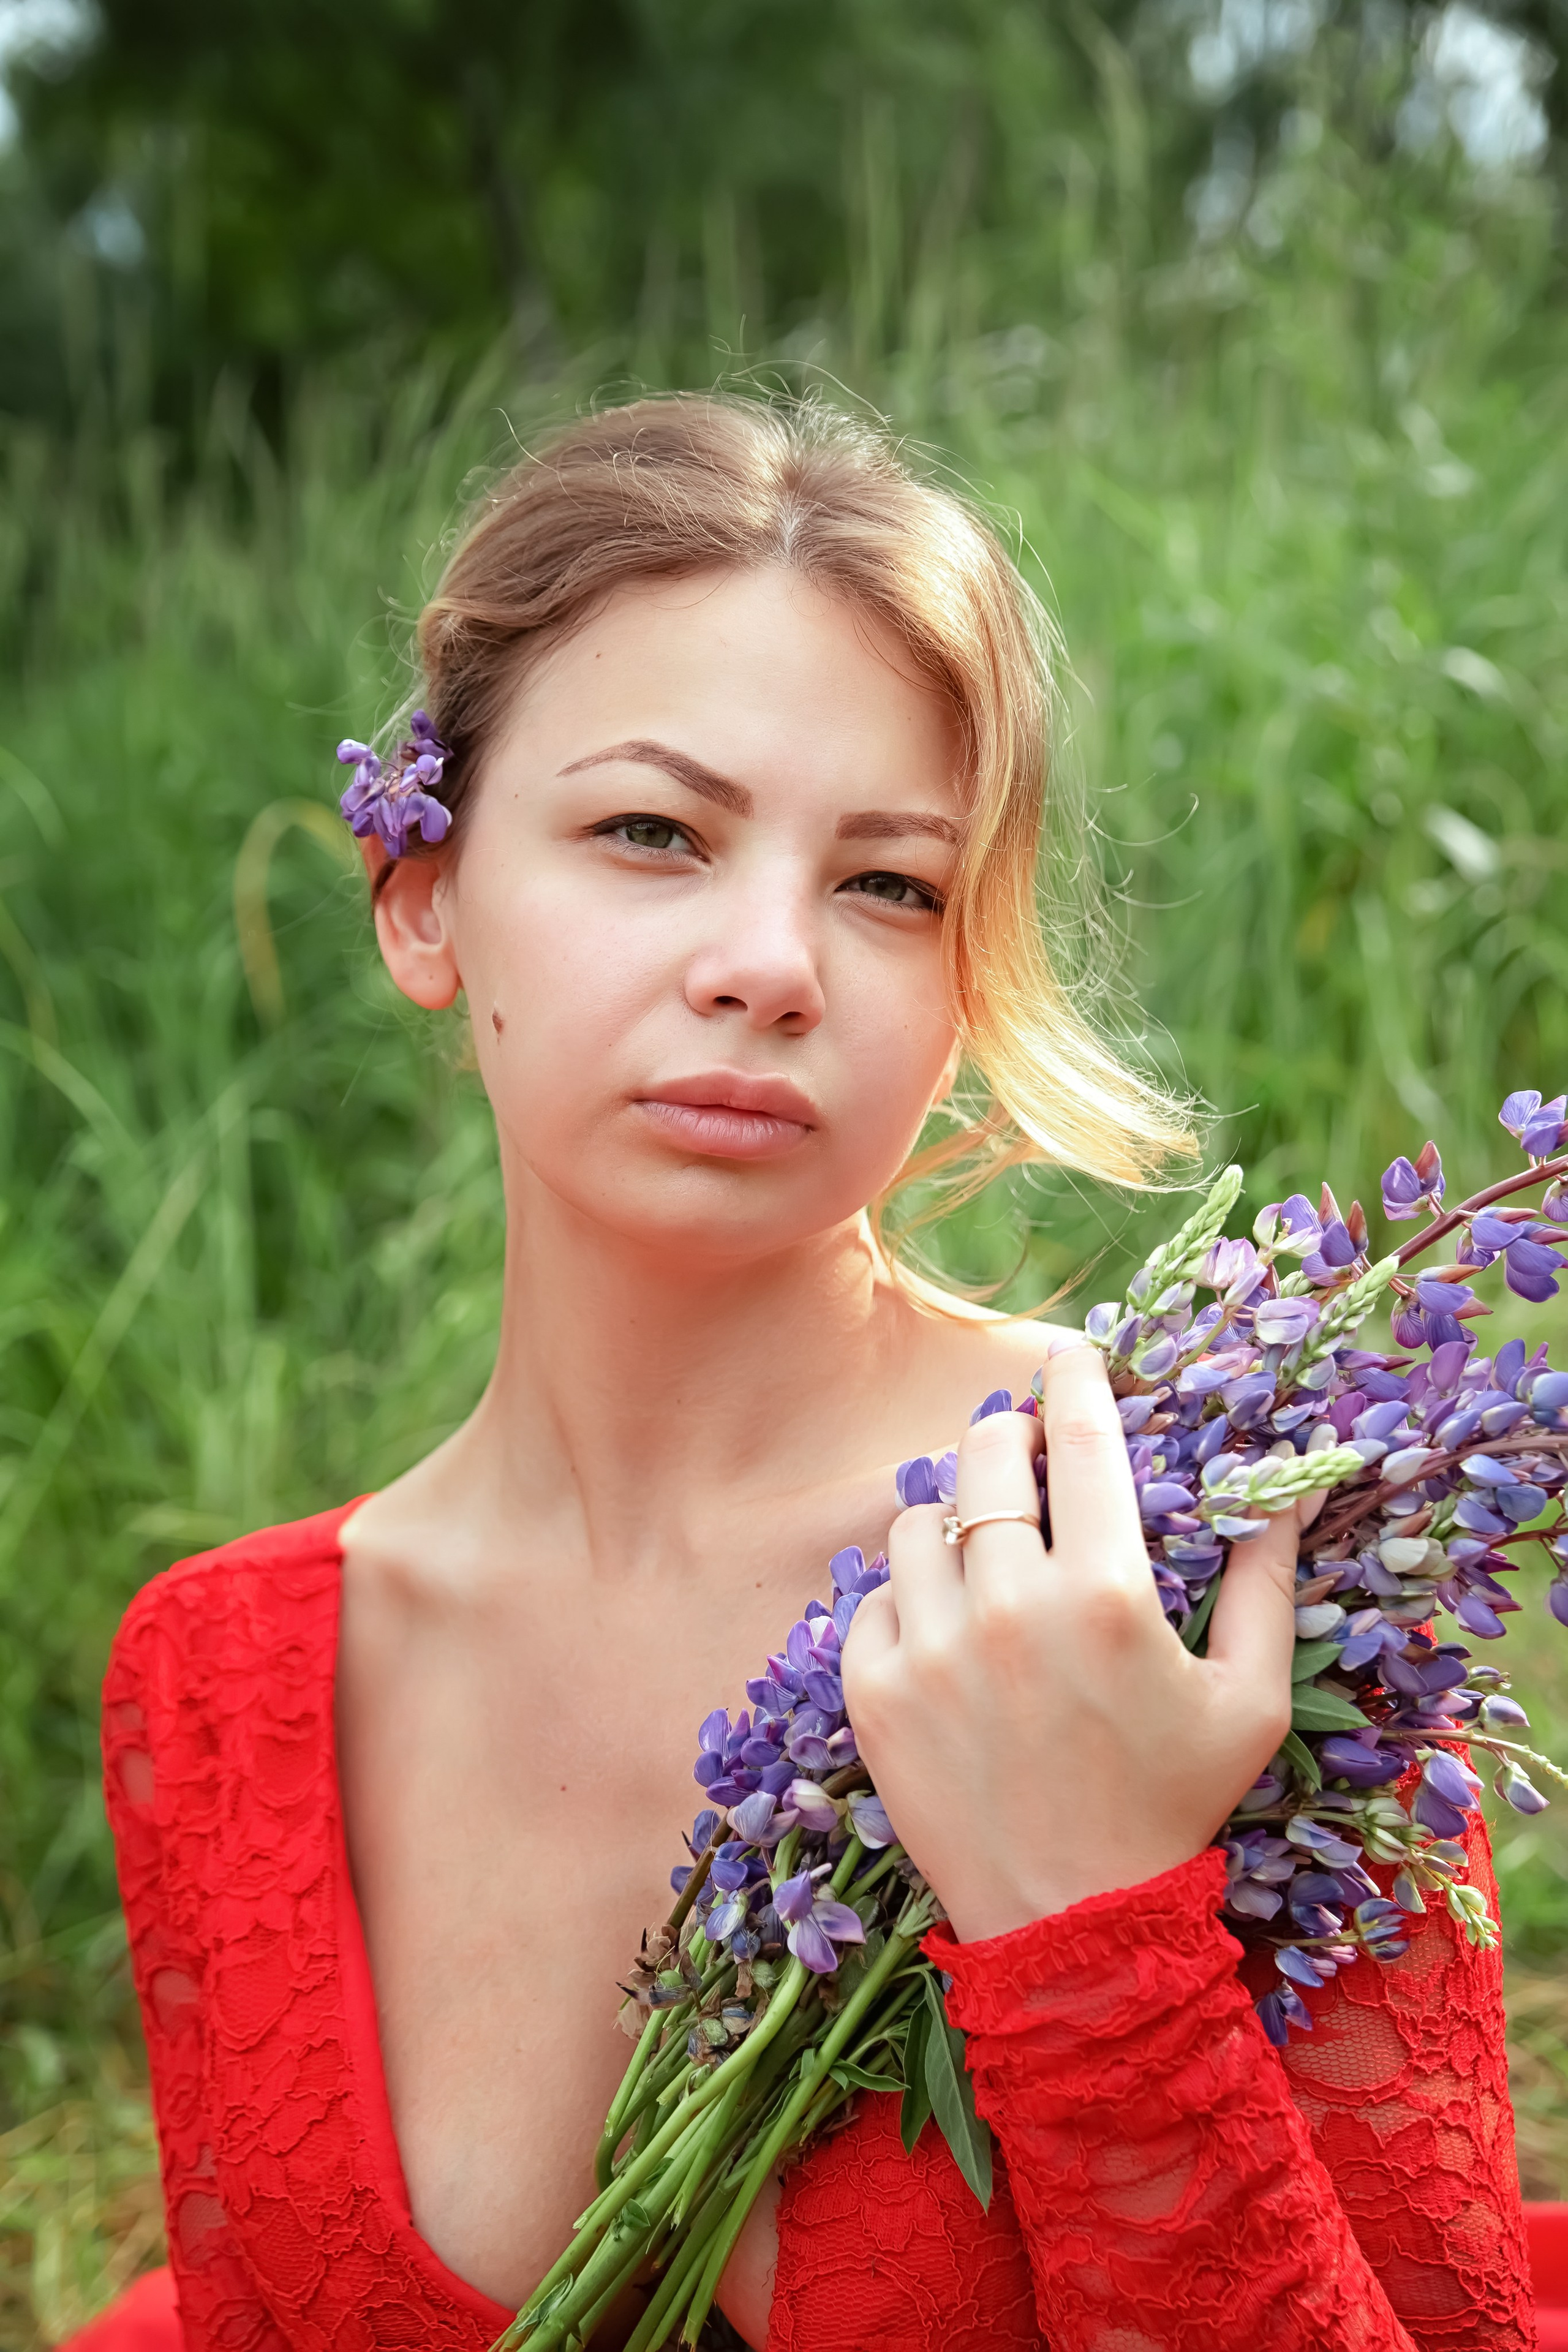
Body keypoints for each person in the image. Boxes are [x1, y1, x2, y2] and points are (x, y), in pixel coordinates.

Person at [92, 395, 1533, 2352]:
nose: (771, 961)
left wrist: (1094, 1929)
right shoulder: (226, 1686)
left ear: (967, 986)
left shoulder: (1204, 1562)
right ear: (422, 895)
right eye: (649, 834)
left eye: (890, 885)